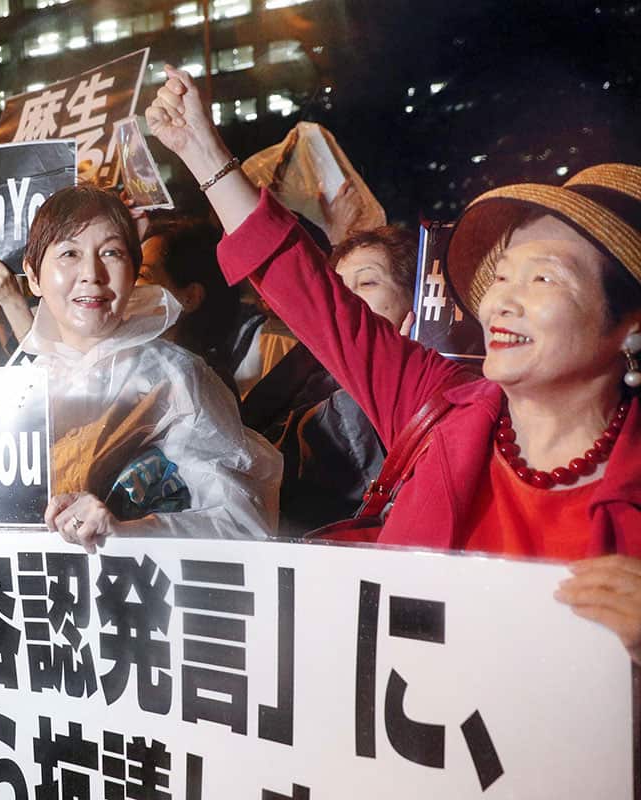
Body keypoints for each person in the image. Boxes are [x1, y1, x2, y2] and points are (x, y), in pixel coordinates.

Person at [146, 63, 641, 659]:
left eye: (543, 278)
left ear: (628, 322)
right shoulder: (438, 402)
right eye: (502, 274)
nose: (503, 299)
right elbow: (310, 293)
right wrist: (202, 153)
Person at [0, 184, 280, 550]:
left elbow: (245, 522)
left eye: (111, 253)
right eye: (69, 253)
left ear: (134, 272)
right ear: (33, 275)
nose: (92, 273)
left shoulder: (174, 378)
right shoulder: (12, 391)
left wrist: (126, 530)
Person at [240, 226, 418, 534]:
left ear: (417, 300)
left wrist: (390, 375)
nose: (345, 301)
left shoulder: (430, 395)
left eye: (367, 282)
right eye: (336, 288)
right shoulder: (303, 373)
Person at [135, 215, 242, 394]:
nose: (125, 285)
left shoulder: (201, 387)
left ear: (190, 297)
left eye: (142, 275)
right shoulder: (135, 362)